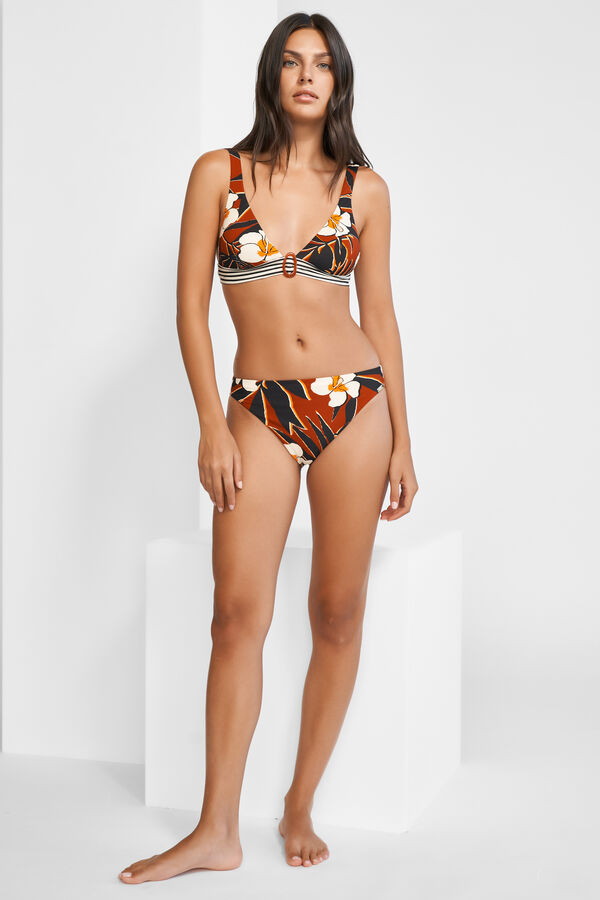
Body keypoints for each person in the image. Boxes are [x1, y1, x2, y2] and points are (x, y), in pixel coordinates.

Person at [119, 11, 418, 885]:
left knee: (338, 612)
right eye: (292, 61)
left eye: (322, 64)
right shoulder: (219, 174)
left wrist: (405, 438)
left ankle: (299, 804)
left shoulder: (366, 190)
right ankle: (216, 829)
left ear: (339, 81)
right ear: (271, 76)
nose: (307, 75)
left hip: (355, 404)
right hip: (259, 407)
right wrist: (211, 423)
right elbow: (189, 306)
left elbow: (380, 314)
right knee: (235, 614)